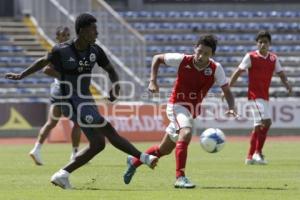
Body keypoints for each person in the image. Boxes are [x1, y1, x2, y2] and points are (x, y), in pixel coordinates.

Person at [5, 13, 158, 189]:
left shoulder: (95, 51)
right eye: (94, 29)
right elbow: (42, 63)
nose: (97, 33)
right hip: (69, 100)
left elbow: (111, 70)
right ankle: (144, 158)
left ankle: (62, 174)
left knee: (98, 144)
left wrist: (116, 86)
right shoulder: (61, 50)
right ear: (83, 31)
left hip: (85, 100)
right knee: (106, 127)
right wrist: (21, 75)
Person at [123, 34, 238, 188]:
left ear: (212, 55)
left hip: (190, 111)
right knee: (186, 132)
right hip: (176, 105)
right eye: (199, 51)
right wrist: (153, 81)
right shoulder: (182, 60)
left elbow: (226, 89)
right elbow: (157, 58)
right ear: (194, 49)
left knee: (163, 150)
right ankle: (180, 177)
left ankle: (134, 161)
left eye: (206, 54)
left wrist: (231, 107)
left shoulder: (216, 68)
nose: (201, 56)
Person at [228, 30, 292, 165]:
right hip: (254, 97)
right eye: (260, 42)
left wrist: (287, 84)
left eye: (265, 42)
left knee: (258, 127)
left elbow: (280, 73)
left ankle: (250, 157)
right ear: (257, 44)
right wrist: (227, 88)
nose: (263, 44)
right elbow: (238, 72)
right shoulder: (251, 57)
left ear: (269, 44)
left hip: (265, 97)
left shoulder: (273, 58)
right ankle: (258, 153)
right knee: (267, 122)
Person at [29, 26, 82, 166]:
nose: (65, 37)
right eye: (63, 35)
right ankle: (75, 154)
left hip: (57, 90)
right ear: (57, 37)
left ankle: (36, 149)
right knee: (78, 122)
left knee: (51, 123)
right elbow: (46, 69)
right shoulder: (58, 51)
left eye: (68, 35)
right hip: (64, 91)